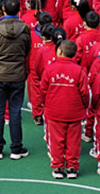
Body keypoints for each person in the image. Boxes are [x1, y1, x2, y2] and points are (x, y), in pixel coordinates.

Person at [0, 0, 31, 161]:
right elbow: (27, 50)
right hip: (17, 75)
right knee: (15, 112)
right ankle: (16, 148)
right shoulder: (25, 28)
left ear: (3, 9)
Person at [41, 40, 90, 179]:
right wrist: (84, 106)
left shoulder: (50, 69)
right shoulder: (79, 70)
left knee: (56, 141)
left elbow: (43, 90)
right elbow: (85, 93)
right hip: (74, 112)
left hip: (54, 111)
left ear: (60, 51)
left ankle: (58, 167)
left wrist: (47, 104)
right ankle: (72, 167)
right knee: (73, 141)